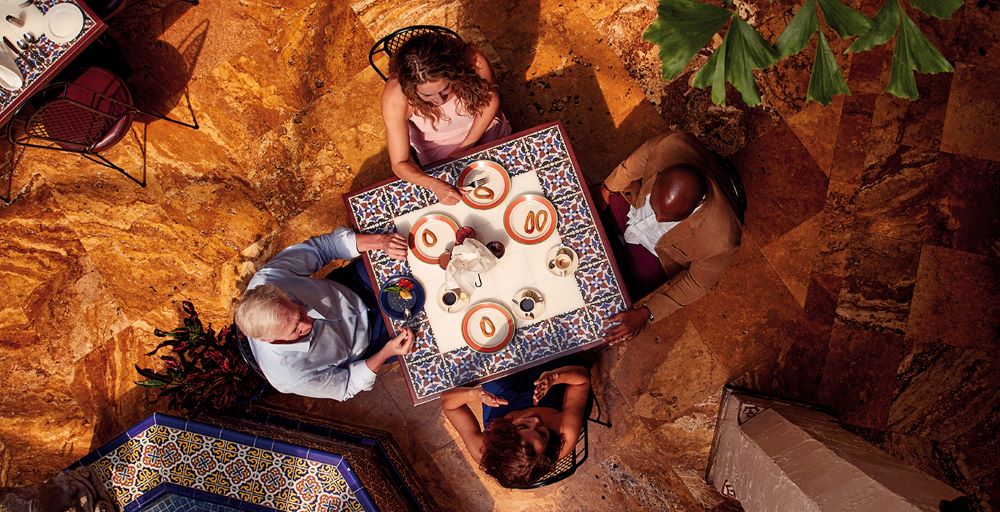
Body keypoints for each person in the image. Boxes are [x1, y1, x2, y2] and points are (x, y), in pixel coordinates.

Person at [595, 132, 743, 345]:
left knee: (615, 303)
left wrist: (647, 314)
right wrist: (607, 188)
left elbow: (698, 284)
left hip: (656, 252)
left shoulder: (723, 240)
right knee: (582, 208)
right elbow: (636, 161)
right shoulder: (670, 147)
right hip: (631, 206)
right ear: (660, 174)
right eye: (655, 209)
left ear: (698, 205)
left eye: (668, 220)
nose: (656, 219)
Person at [234, 227, 415, 401]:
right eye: (295, 330)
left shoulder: (268, 280)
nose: (309, 323)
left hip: (354, 284)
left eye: (299, 312)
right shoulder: (289, 377)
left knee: (414, 248)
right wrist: (386, 352)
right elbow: (347, 385)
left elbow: (322, 248)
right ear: (267, 340)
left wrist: (381, 242)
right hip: (375, 340)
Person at [381, 32, 511, 205]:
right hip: (440, 155)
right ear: (411, 88)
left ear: (453, 72)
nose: (439, 101)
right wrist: (433, 184)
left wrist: (466, 147)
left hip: (486, 128)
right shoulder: (395, 97)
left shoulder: (473, 61)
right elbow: (399, 163)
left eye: (445, 90)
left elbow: (490, 100)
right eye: (427, 95)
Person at [441, 359, 591, 488]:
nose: (536, 420)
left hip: (500, 399)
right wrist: (555, 377)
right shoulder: (565, 433)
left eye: (522, 426)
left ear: (502, 433)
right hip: (546, 387)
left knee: (486, 364)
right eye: (542, 432)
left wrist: (472, 394)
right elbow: (583, 379)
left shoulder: (484, 449)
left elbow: (448, 404)